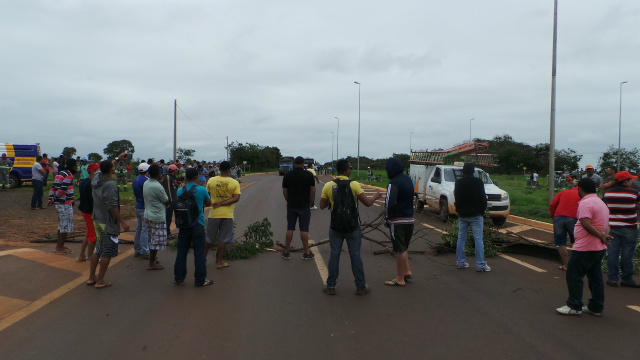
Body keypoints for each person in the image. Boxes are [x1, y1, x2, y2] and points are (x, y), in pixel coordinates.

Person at [319, 159, 382, 295]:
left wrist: (331, 201)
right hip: (352, 226)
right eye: (350, 168)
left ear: (336, 170)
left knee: (334, 254)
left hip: (335, 226)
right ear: (347, 170)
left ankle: (330, 286)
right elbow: (367, 203)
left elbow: (322, 205)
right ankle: (360, 286)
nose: (351, 170)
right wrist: (375, 197)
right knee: (355, 255)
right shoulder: (354, 185)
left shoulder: (328, 186)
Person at [556, 178, 611, 316]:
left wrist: (601, 236)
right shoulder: (601, 203)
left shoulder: (586, 203)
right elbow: (607, 225)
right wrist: (604, 236)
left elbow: (586, 224)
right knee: (595, 277)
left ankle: (574, 305)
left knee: (573, 274)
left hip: (585, 247)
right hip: (598, 248)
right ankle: (596, 307)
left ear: (580, 189)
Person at [88, 160, 130, 288]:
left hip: (97, 219)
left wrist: (117, 158)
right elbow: (111, 206)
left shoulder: (96, 178)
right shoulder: (110, 184)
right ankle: (100, 281)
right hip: (107, 222)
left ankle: (91, 277)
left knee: (98, 248)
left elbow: (102, 168)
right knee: (108, 250)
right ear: (112, 169)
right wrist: (122, 221)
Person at [174, 168, 213, 287]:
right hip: (198, 224)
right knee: (199, 253)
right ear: (197, 177)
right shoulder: (201, 190)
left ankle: (179, 278)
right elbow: (209, 203)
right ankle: (200, 280)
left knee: (181, 252)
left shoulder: (180, 190)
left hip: (184, 225)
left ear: (185, 177)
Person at [602, 170, 640, 288]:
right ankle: (627, 278)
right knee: (627, 254)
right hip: (630, 227)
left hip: (612, 227)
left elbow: (604, 208)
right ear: (626, 181)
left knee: (613, 253)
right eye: (630, 180)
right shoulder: (634, 193)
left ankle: (613, 279)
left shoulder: (607, 194)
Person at [383, 157, 414, 286]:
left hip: (397, 220)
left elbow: (389, 203)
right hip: (410, 219)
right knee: (404, 247)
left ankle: (400, 278)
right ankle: (407, 271)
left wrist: (387, 218)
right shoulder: (408, 179)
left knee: (399, 249)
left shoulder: (393, 183)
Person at [454, 163, 490, 272]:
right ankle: (481, 265)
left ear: (463, 171)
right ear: (473, 171)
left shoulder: (458, 182)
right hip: (476, 215)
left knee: (461, 238)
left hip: (463, 215)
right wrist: (482, 211)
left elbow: (457, 197)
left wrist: (458, 209)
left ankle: (460, 262)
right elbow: (483, 198)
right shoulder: (478, 182)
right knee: (478, 239)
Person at [205, 161, 241, 269]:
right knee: (224, 239)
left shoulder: (211, 180)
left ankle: (202, 259)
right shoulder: (234, 182)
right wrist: (223, 203)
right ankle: (219, 262)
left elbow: (207, 195)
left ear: (219, 169)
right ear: (230, 170)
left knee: (208, 239)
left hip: (214, 214)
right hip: (227, 215)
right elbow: (236, 198)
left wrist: (213, 203)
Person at [281, 156, 316, 260]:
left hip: (291, 205)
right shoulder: (309, 175)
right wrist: (309, 203)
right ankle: (306, 253)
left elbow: (284, 191)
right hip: (304, 205)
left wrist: (289, 201)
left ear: (294, 163)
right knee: (304, 229)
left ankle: (286, 252)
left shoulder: (287, 175)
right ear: (303, 164)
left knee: (290, 228)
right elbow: (312, 191)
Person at [47, 158, 78, 255]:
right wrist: (55, 198)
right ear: (73, 166)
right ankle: (59, 248)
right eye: (76, 166)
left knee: (62, 225)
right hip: (65, 204)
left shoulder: (60, 173)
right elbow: (62, 190)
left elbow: (53, 188)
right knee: (65, 226)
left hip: (60, 204)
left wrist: (51, 198)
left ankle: (60, 245)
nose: (77, 167)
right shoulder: (68, 175)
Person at [143, 164, 169, 270]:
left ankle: (153, 259)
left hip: (148, 214)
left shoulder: (146, 183)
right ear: (158, 173)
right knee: (156, 240)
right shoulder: (158, 186)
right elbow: (165, 199)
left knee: (151, 238)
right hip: (157, 216)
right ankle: (151, 263)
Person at [549, 186, 581, 271]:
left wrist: (554, 216)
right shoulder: (582, 195)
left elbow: (552, 204)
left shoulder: (563, 192)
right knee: (577, 242)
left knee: (561, 243)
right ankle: (576, 265)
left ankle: (566, 265)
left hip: (558, 218)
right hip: (573, 219)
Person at [76, 163, 100, 262]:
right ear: (93, 172)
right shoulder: (91, 184)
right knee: (93, 236)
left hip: (84, 211)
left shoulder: (83, 182)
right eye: (98, 171)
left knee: (89, 233)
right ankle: (90, 257)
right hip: (90, 212)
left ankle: (82, 255)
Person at [132, 163, 150, 259]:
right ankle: (145, 251)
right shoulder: (147, 180)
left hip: (138, 206)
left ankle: (137, 249)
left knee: (139, 228)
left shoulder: (135, 180)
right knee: (145, 230)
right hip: (144, 207)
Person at [162, 164, 179, 237]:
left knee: (170, 217)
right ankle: (167, 233)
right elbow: (168, 190)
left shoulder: (171, 177)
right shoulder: (167, 177)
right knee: (168, 217)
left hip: (173, 200)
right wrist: (169, 202)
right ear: (174, 170)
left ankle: (167, 232)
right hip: (170, 202)